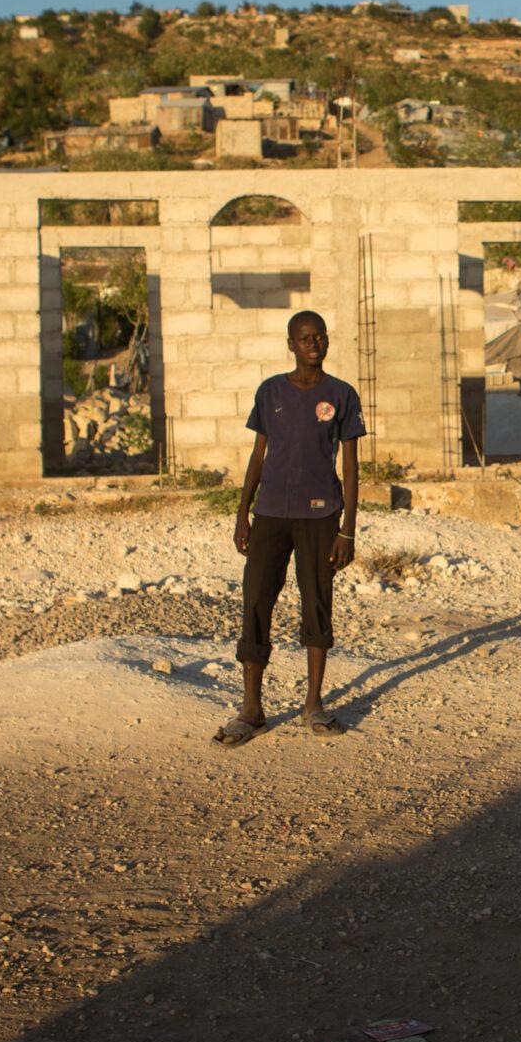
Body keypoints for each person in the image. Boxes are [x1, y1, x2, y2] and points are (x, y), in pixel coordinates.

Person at [216, 309, 364, 745]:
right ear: (291, 344)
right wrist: (243, 513)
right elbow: (258, 455)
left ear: (326, 343)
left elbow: (352, 469)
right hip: (270, 515)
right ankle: (252, 710)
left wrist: (348, 530)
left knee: (317, 602)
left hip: (321, 516)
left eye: (319, 337)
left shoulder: (342, 394)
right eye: (304, 338)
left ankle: (313, 704)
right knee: (256, 601)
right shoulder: (270, 392)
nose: (313, 343)